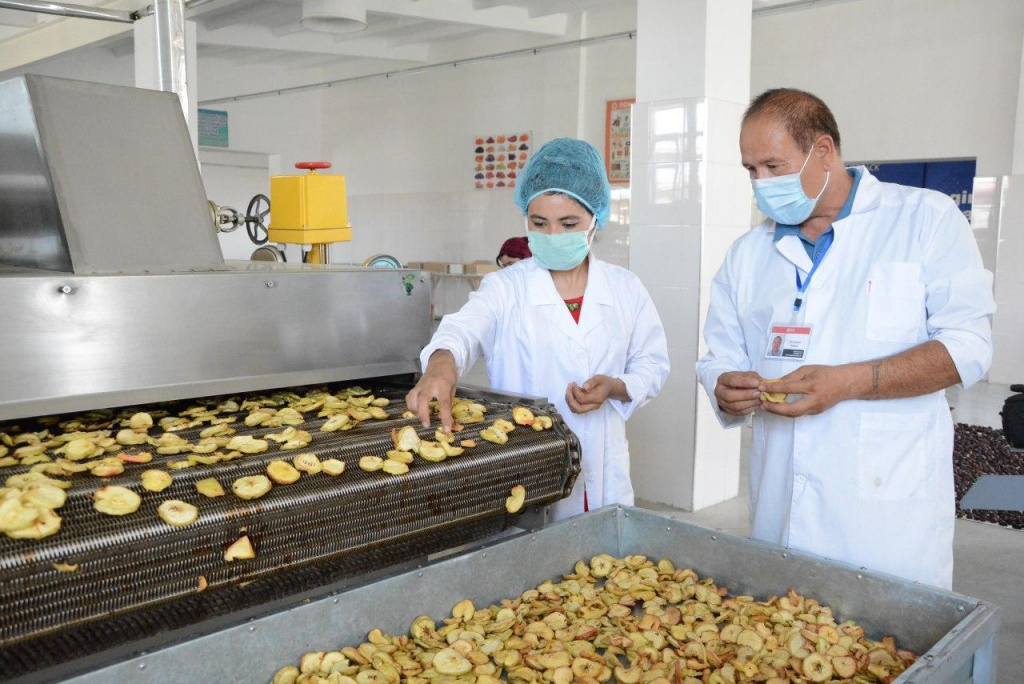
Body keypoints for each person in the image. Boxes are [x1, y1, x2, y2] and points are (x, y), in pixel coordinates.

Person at [696, 88, 995, 590]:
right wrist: (723, 383)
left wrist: (849, 382)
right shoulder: (746, 255)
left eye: (773, 166)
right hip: (780, 503)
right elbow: (719, 354)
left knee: (883, 651)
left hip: (884, 515)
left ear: (825, 151)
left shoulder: (924, 219)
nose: (761, 184)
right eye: (751, 170)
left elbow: (969, 347)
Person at [407, 138, 670, 520]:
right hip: (526, 471)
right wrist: (442, 362)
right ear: (525, 219)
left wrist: (616, 387)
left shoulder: (625, 288)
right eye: (539, 223)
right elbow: (463, 329)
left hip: (603, 476)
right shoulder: (506, 287)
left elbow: (653, 363)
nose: (552, 235)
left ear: (596, 219)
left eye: (569, 224)